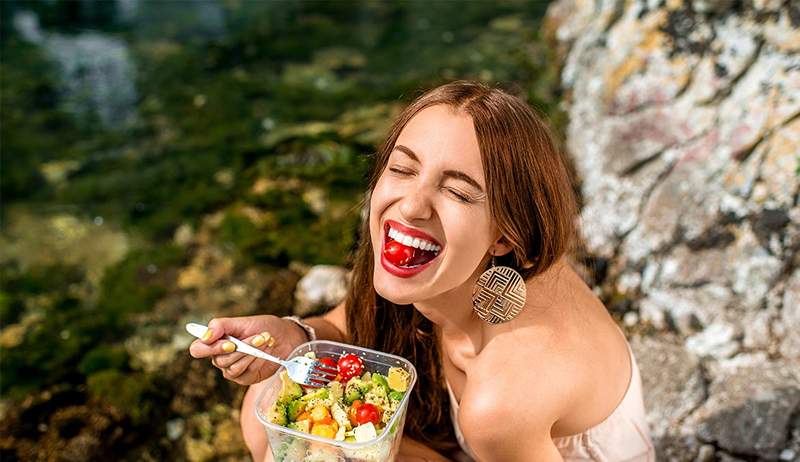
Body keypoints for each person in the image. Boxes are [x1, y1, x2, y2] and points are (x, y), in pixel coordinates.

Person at [189, 81, 655, 461]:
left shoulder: (505, 395)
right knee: (267, 406)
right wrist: (295, 337)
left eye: (457, 192)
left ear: (504, 236)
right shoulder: (471, 275)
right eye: (402, 169)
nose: (411, 206)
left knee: (297, 445)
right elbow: (344, 324)